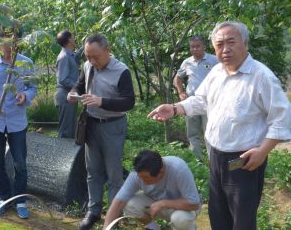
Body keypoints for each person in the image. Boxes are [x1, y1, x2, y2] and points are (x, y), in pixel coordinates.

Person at [148, 21, 291, 229]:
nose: (225, 49)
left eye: (231, 42)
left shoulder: (262, 77)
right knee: (218, 215)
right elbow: (201, 100)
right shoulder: (217, 72)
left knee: (242, 221)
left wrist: (263, 151)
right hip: (216, 156)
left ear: (245, 43)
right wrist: (175, 108)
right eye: (219, 44)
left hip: (245, 160)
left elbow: (282, 119)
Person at [68, 33, 135, 230]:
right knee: (93, 171)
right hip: (91, 124)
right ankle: (93, 211)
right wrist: (73, 93)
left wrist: (102, 101)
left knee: (114, 174)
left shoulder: (121, 71)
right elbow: (79, 85)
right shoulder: (88, 66)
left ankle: (113, 218)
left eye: (95, 56)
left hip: (113, 125)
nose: (91, 60)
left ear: (107, 49)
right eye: (88, 56)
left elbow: (129, 101)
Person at [0, 38, 37, 219]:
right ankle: (3, 198)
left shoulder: (25, 62)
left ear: (18, 43)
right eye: (5, 43)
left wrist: (25, 95)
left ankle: (19, 201)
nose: (9, 48)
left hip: (17, 121)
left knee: (20, 162)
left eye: (13, 43)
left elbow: (32, 86)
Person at [103, 150, 201, 230]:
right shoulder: (137, 174)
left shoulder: (178, 169)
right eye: (140, 178)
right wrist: (106, 228)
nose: (143, 182)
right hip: (156, 204)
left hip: (184, 208)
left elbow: (194, 203)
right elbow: (118, 202)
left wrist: (163, 203)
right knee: (129, 204)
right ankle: (154, 228)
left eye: (147, 179)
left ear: (161, 172)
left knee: (180, 219)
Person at [173, 36, 218, 160]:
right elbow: (177, 78)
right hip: (191, 103)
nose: (195, 49)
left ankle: (212, 160)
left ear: (204, 46)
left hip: (209, 102)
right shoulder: (187, 62)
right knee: (192, 134)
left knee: (209, 132)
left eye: (197, 46)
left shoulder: (214, 60)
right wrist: (181, 92)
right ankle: (197, 160)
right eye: (192, 46)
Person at [55, 29, 84, 139]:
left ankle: (68, 154)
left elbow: (75, 58)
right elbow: (63, 79)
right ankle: (62, 154)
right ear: (69, 41)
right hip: (65, 96)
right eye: (72, 37)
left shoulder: (69, 55)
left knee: (70, 127)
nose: (74, 39)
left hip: (70, 95)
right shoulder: (64, 57)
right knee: (66, 130)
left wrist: (84, 47)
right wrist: (79, 87)